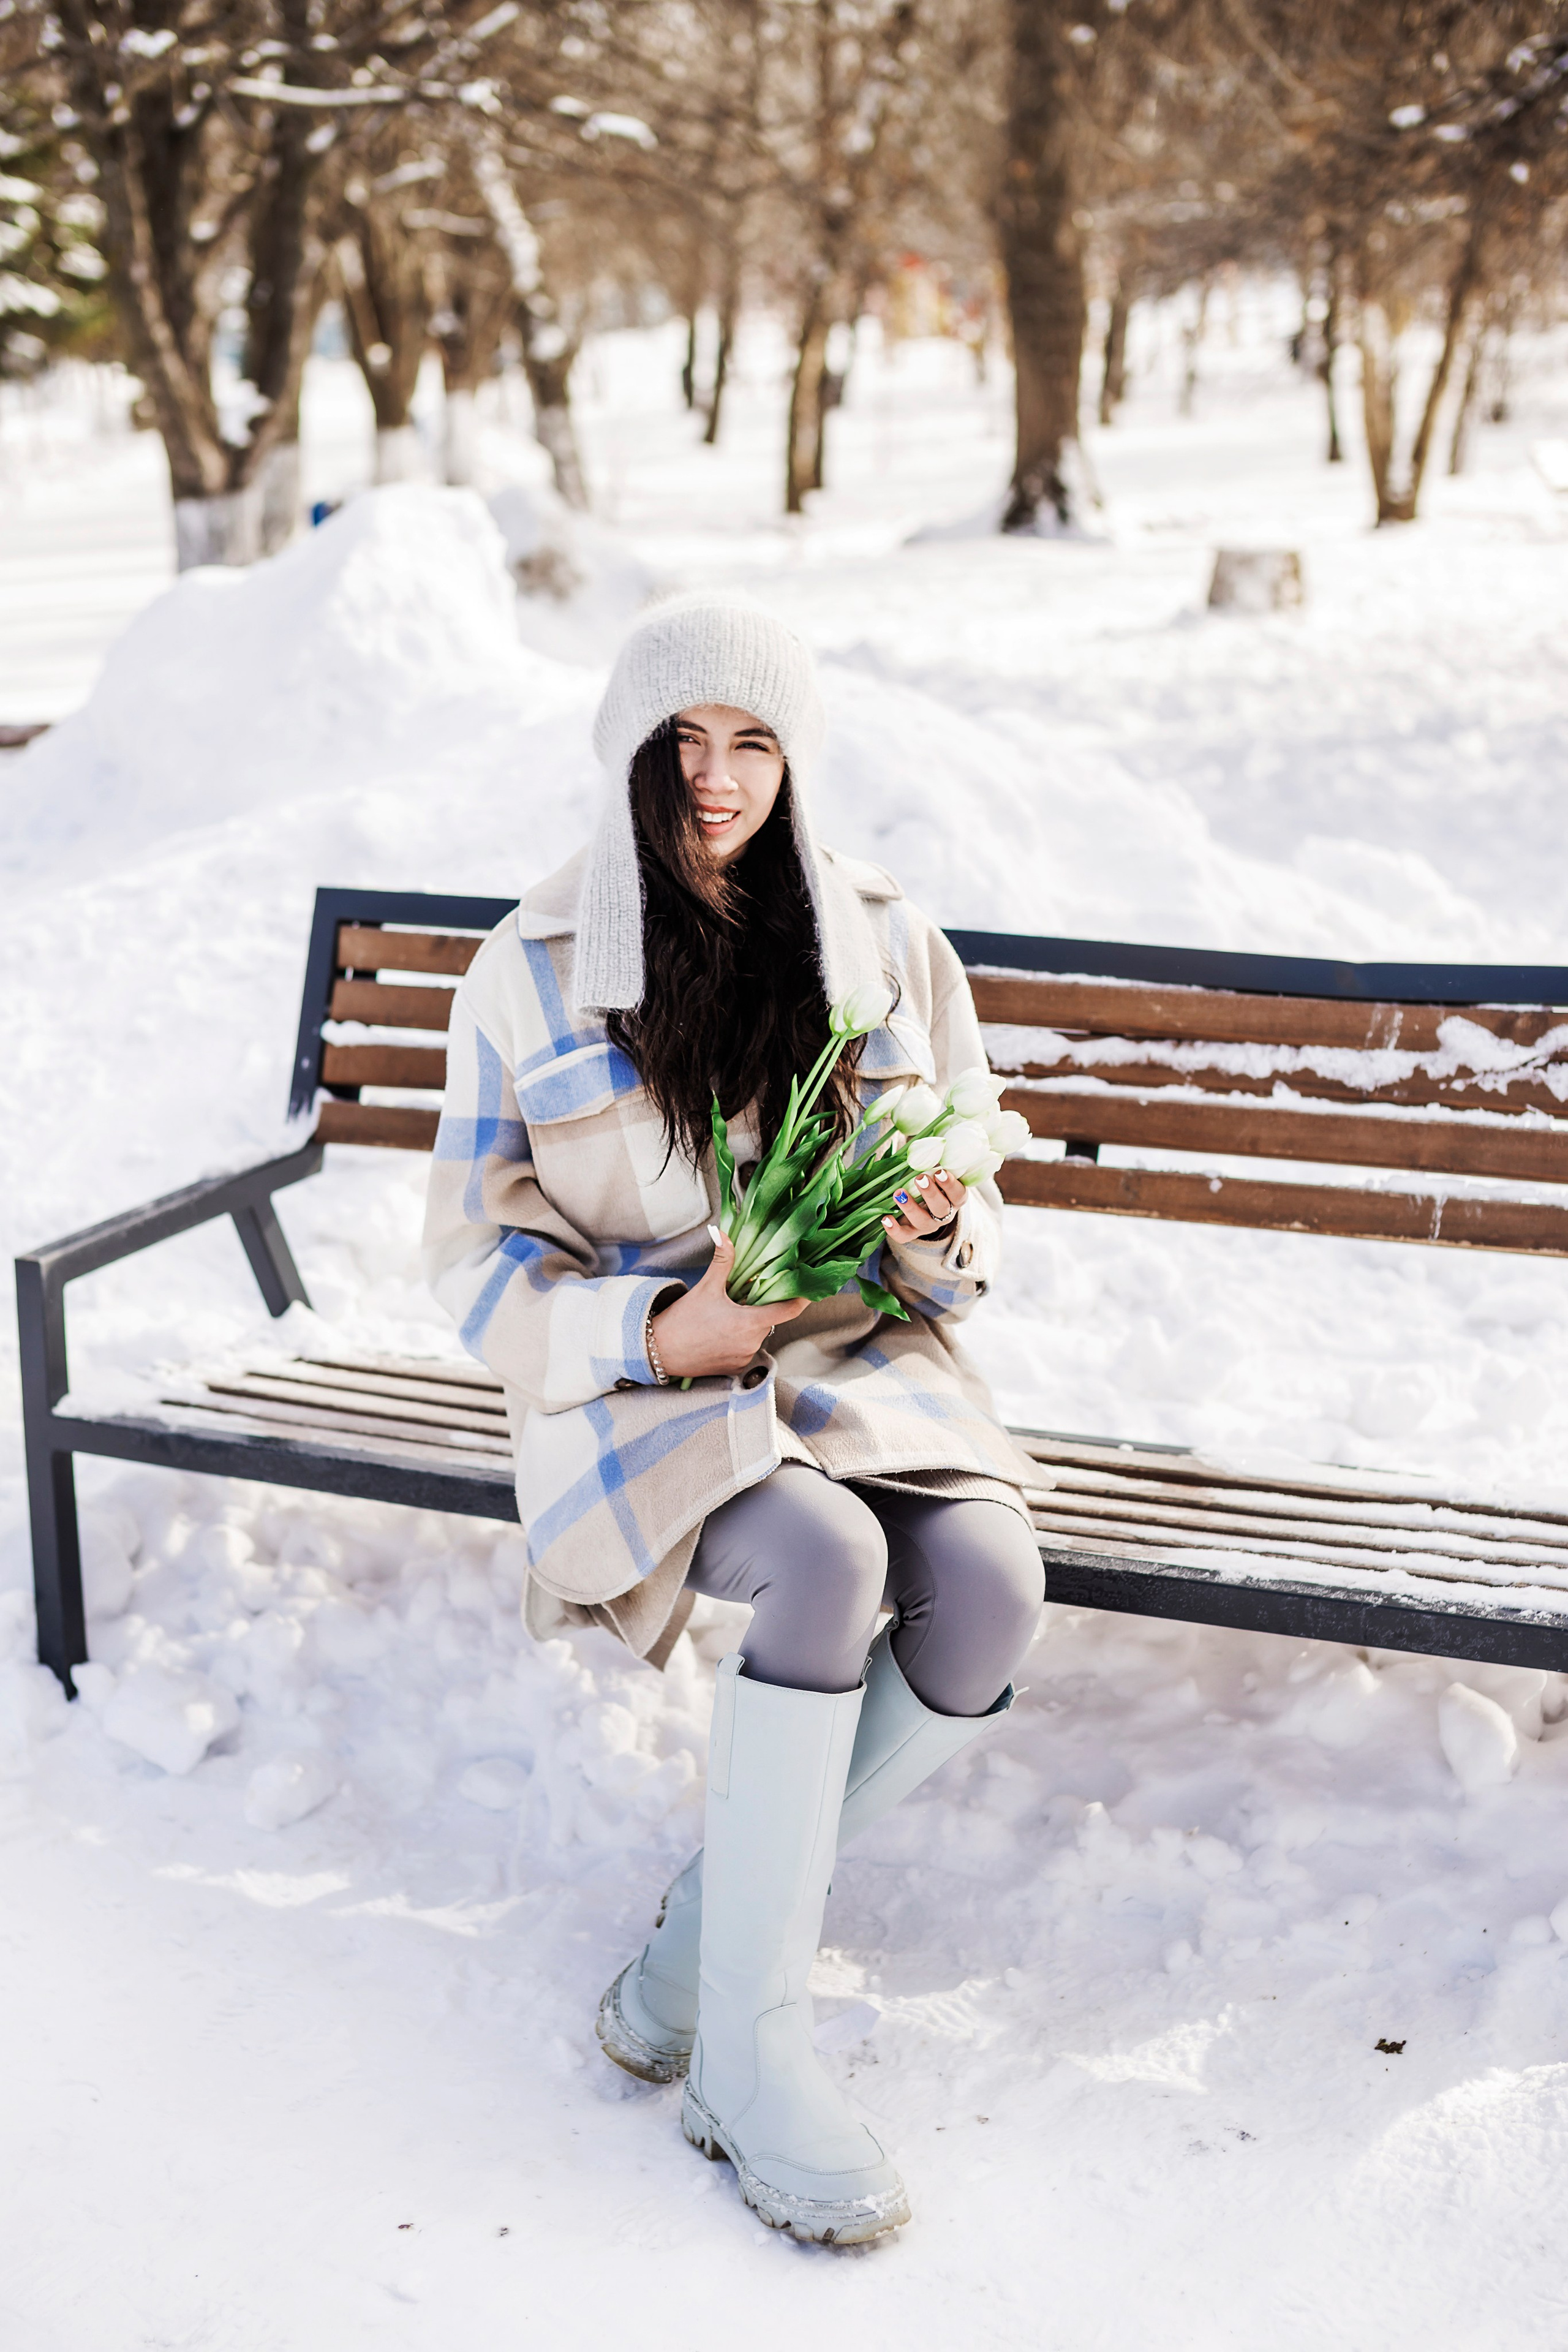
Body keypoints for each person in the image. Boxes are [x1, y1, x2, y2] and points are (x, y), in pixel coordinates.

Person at [423, 593, 1045, 2246]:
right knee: (828, 1566)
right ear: (630, 756)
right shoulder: (534, 966)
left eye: (752, 739)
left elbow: (962, 1242)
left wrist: (929, 1225)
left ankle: (700, 1955)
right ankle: (754, 2063)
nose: (716, 776)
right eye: (681, 741)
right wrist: (654, 1322)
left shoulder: (883, 943)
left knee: (989, 1592)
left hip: (857, 1366)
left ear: (796, 758)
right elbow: (472, 1267)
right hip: (639, 1389)